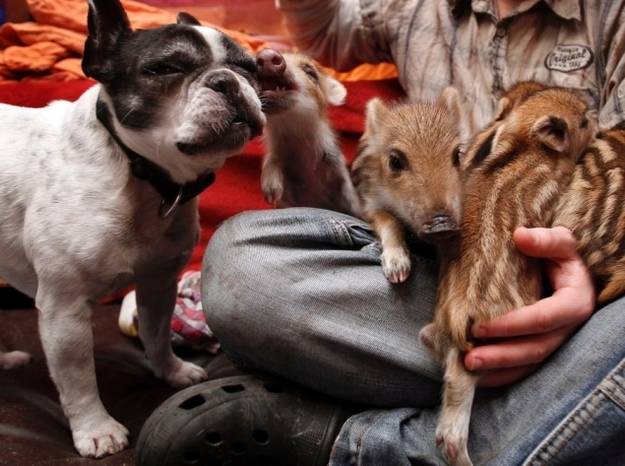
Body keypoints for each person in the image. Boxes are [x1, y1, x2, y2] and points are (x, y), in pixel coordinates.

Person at [200, 1, 625, 464]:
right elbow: (325, 35)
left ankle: (372, 442)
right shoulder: (413, 7)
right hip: (429, 289)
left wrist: (582, 284)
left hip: (584, 303)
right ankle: (560, 409)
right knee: (241, 266)